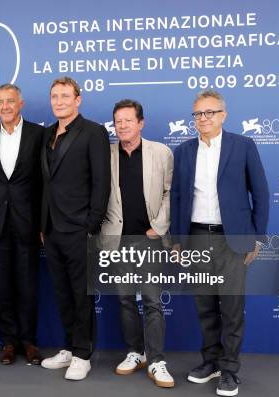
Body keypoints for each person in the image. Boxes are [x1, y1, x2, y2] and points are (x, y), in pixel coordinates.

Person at [170, 89, 269, 396]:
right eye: (198, 113)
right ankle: (210, 362)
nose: (203, 118)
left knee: (232, 308)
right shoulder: (184, 151)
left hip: (233, 240)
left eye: (209, 112)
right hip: (197, 237)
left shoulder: (244, 146)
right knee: (205, 306)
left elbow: (261, 194)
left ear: (223, 115)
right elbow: (176, 198)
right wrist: (177, 241)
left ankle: (229, 369)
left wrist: (257, 238)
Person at [39, 77, 110, 380]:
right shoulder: (46, 134)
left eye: (65, 96)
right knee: (62, 292)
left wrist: (90, 225)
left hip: (79, 227)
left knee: (81, 294)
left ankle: (83, 353)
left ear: (78, 99)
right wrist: (42, 224)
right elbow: (45, 182)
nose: (59, 101)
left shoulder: (93, 132)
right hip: (51, 229)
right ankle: (68, 347)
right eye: (54, 96)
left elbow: (101, 182)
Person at [100, 99, 175, 387]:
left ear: (141, 123)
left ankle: (157, 360)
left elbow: (170, 193)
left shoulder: (161, 153)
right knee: (125, 300)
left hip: (149, 239)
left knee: (153, 302)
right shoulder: (106, 154)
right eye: (118, 121)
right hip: (116, 239)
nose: (122, 126)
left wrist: (158, 227)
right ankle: (135, 352)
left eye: (128, 120)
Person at [0, 84, 44, 365]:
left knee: (27, 285)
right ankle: (8, 341)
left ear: (21, 104)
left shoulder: (39, 134)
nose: (5, 106)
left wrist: (42, 223)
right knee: (2, 285)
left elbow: (44, 182)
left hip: (27, 222)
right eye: (0, 102)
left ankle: (28, 341)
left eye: (10, 101)